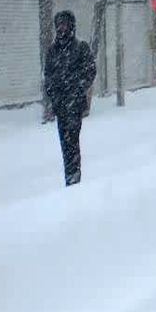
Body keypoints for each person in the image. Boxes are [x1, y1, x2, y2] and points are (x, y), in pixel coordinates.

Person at [44, 10, 96, 186]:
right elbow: (48, 77)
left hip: (74, 106)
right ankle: (70, 177)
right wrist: (55, 98)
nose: (61, 28)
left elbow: (90, 71)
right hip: (61, 107)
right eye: (59, 24)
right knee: (65, 144)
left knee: (72, 142)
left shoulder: (80, 48)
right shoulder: (52, 51)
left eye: (65, 24)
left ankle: (74, 178)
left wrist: (77, 89)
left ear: (71, 25)